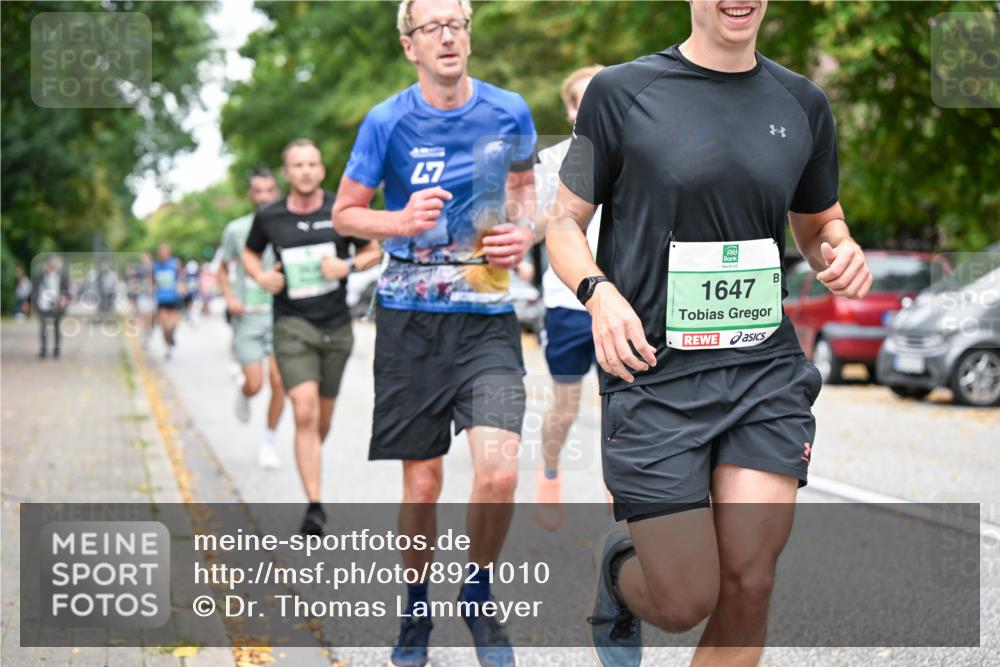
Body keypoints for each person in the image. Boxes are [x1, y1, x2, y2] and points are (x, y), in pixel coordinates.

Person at [546, 1, 874, 665]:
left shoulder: (803, 102)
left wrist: (840, 249)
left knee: (750, 582)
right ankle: (619, 573)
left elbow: (819, 222)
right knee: (684, 598)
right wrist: (598, 293)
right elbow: (563, 223)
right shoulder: (620, 93)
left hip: (763, 374)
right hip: (654, 373)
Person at [332, 2, 537, 665]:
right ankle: (416, 602)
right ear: (409, 45)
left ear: (469, 35)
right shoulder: (386, 121)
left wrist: (522, 234)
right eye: (432, 27)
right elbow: (345, 214)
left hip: (488, 319)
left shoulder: (509, 110)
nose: (447, 36)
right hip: (410, 323)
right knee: (422, 486)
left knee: (499, 472)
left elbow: (526, 190)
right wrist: (399, 221)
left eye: (457, 24)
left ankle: (476, 589)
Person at [243, 139, 381, 534]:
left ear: (321, 170)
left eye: (311, 164)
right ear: (287, 172)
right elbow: (250, 253)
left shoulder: (341, 211)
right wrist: (261, 276)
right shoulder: (269, 216)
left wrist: (347, 266)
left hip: (336, 327)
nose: (305, 171)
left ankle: (310, 456)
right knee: (303, 410)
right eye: (297, 165)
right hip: (292, 324)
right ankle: (315, 505)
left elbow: (373, 250)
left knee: (321, 417)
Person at [531, 65, 604, 531]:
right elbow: (537, 228)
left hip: (623, 301)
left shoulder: (637, 150)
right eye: (582, 99)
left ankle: (623, 503)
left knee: (624, 409)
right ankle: (550, 472)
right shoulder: (552, 159)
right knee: (566, 406)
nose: (591, 105)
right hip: (567, 301)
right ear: (571, 110)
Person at [217, 168, 285, 469]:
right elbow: (221, 268)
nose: (264, 197)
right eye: (258, 191)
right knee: (256, 384)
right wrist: (230, 297)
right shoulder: (236, 230)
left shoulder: (287, 226)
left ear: (277, 192)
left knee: (280, 381)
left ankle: (268, 442)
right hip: (248, 318)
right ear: (250, 195)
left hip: (280, 316)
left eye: (269, 190)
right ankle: (245, 392)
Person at [33, 254, 70, 359]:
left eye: (54, 263)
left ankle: (56, 350)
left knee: (56, 328)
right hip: (43, 305)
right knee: (43, 328)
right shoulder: (40, 274)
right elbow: (34, 289)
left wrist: (64, 303)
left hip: (57, 305)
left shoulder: (62, 275)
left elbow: (66, 290)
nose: (52, 265)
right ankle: (43, 350)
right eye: (50, 263)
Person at [152, 243, 185, 360]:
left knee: (174, 324)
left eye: (165, 251)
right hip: (161, 298)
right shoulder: (155, 266)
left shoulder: (175, 264)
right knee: (164, 325)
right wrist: (152, 289)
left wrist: (181, 286)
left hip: (174, 297)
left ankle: (171, 336)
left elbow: (181, 277)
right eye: (161, 251)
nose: (163, 253)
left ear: (169, 252)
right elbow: (153, 281)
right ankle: (168, 346)